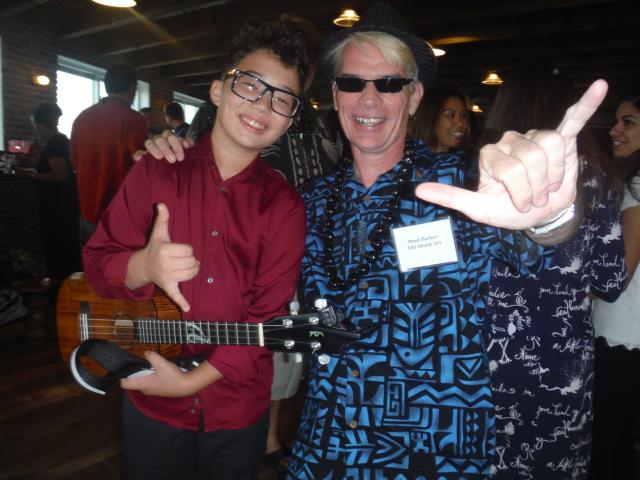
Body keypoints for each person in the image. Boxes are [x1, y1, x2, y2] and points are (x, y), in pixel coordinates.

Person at [142, 3, 608, 477]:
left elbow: (536, 260)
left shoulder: (464, 185)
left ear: (414, 96)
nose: (369, 99)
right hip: (327, 446)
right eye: (352, 83)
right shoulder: (306, 202)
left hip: (434, 452)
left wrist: (547, 220)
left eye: (389, 84)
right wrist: (181, 162)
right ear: (335, 95)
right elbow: (236, 275)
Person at [82, 16, 311, 480]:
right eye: (250, 85)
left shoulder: (285, 206)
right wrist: (142, 265)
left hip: (237, 407)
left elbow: (266, 317)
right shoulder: (156, 171)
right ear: (218, 90)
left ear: (290, 118)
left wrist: (190, 382)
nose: (262, 105)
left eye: (282, 98)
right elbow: (97, 264)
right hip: (150, 394)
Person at [478, 61, 625, 479]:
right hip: (559, 354)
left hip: (487, 349)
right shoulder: (594, 179)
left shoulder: (478, 174)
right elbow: (611, 281)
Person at [590, 93, 640, 480]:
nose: (614, 130)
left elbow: (620, 272)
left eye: (628, 122)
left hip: (621, 331)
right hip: (628, 331)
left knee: (605, 443)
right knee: (618, 440)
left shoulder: (636, 184)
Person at [70, 64, 148, 245]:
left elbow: (73, 161)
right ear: (132, 87)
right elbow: (141, 167)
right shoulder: (133, 119)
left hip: (88, 208)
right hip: (120, 212)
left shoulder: (81, 118)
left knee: (92, 259)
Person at [22, 102, 81, 278]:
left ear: (42, 123)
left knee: (59, 249)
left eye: (35, 125)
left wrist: (32, 175)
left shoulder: (56, 143)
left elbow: (60, 175)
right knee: (66, 248)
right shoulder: (60, 141)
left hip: (57, 207)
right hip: (63, 205)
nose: (35, 129)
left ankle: (61, 287)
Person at [410, 86, 470, 153]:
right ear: (430, 118)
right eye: (451, 115)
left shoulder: (468, 158)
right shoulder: (405, 156)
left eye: (463, 115)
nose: (460, 123)